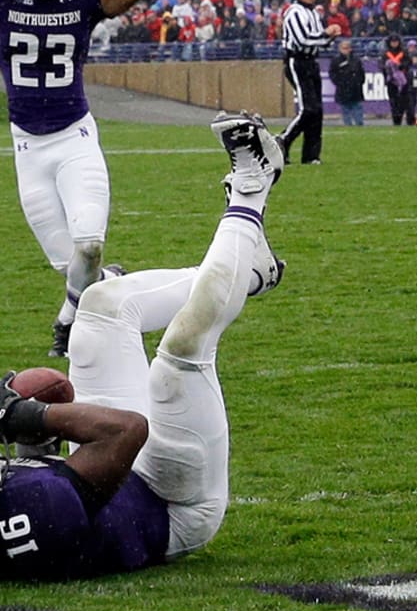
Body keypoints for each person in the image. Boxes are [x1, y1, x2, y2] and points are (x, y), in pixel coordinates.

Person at [0, 111, 285, 579]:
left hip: (103, 475)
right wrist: (22, 416)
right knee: (181, 350)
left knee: (102, 303)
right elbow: (126, 431)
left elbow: (53, 397)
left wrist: (32, 423)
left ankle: (246, 274)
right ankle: (252, 186)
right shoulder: (30, 512)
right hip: (172, 500)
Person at [0, 0, 169, 358]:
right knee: (71, 265)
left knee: (89, 245)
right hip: (28, 149)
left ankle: (66, 324)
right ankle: (105, 288)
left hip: (75, 138)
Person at [279, 0, 340, 165]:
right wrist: (326, 34)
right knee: (308, 109)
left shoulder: (313, 13)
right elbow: (302, 39)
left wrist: (329, 37)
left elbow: (317, 41)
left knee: (317, 110)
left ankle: (311, 155)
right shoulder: (294, 12)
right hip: (297, 61)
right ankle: (281, 142)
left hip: (310, 61)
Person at [328, 37, 366, 126]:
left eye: (347, 48)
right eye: (343, 48)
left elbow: (361, 73)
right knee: (345, 110)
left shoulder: (356, 60)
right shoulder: (336, 60)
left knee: (358, 108)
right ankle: (348, 125)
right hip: (343, 89)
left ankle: (359, 125)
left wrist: (359, 82)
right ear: (340, 49)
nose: (346, 50)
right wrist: (339, 83)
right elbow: (332, 73)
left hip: (356, 89)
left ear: (350, 49)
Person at [381, 31, 411, 126]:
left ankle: (401, 118)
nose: (394, 43)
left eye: (396, 41)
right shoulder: (386, 54)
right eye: (392, 42)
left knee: (403, 102)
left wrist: (401, 66)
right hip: (391, 82)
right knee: (393, 102)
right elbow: (381, 65)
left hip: (403, 82)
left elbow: (408, 63)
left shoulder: (403, 52)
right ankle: (396, 121)